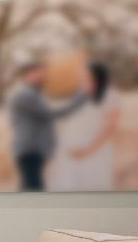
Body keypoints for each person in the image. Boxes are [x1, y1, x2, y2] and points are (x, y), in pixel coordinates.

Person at [7, 61, 88, 191]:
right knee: (34, 189)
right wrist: (82, 96)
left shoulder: (33, 92)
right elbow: (53, 113)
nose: (42, 76)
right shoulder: (25, 94)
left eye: (42, 73)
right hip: (30, 148)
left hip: (32, 148)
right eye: (37, 73)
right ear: (27, 74)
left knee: (29, 187)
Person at [51, 61, 121, 191]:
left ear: (96, 75)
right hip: (69, 151)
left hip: (93, 151)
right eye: (81, 73)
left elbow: (109, 128)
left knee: (91, 186)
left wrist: (87, 150)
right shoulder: (80, 94)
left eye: (84, 73)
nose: (80, 76)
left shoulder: (110, 95)